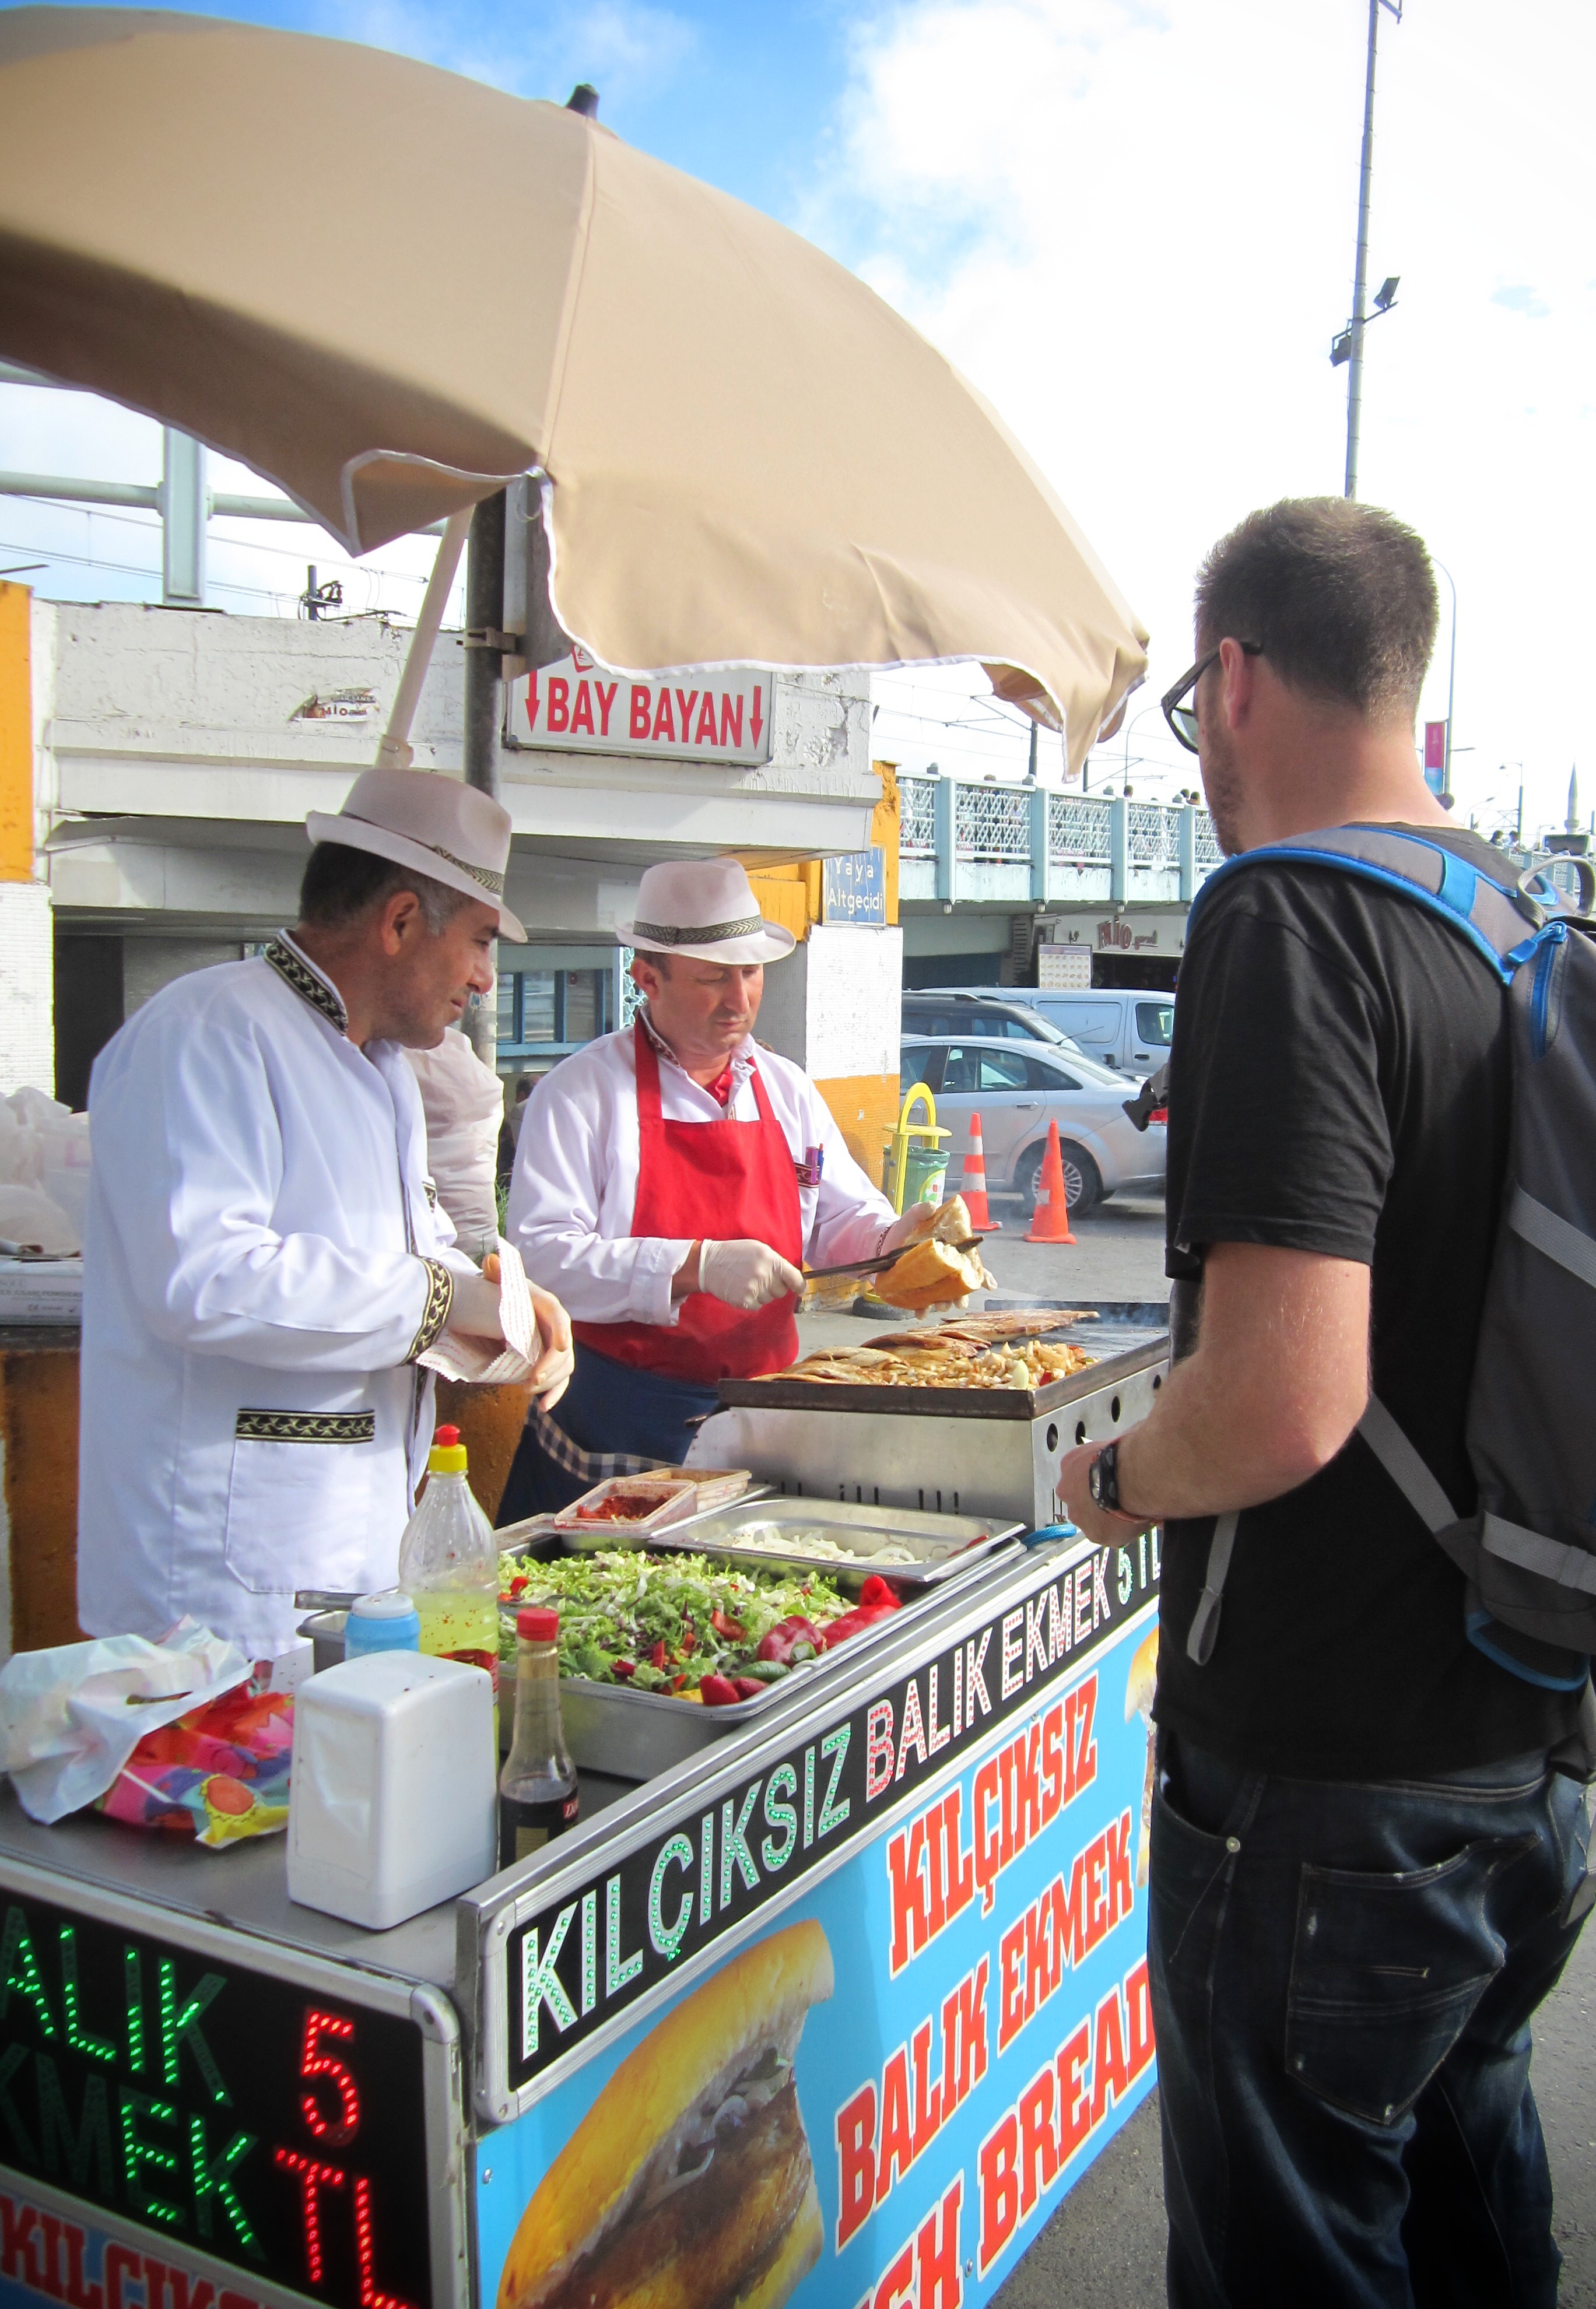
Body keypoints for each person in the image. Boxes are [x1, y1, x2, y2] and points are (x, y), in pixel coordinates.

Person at [1057, 498, 1591, 2307]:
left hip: (1325, 1786)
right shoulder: (1514, 922)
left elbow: (1284, 1401)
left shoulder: (1289, 918)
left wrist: (1115, 1478)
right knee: (1469, 2223)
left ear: (1231, 681)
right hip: (1520, 1752)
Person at [78, 767, 574, 1660]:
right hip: (217, 1576)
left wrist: (501, 1307)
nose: (484, 979)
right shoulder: (210, 1030)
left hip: (345, 1540)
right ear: (399, 921)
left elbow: (402, 1261)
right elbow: (205, 1280)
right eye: (477, 942)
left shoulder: (382, 1070)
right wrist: (440, 1301)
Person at [499, 857, 941, 1515]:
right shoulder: (580, 1093)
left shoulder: (787, 1088)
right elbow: (541, 1260)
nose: (739, 1000)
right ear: (647, 978)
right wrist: (694, 1266)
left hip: (768, 1408)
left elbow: (835, 1215)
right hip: (620, 1416)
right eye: (712, 978)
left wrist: (891, 1241)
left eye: (752, 973)